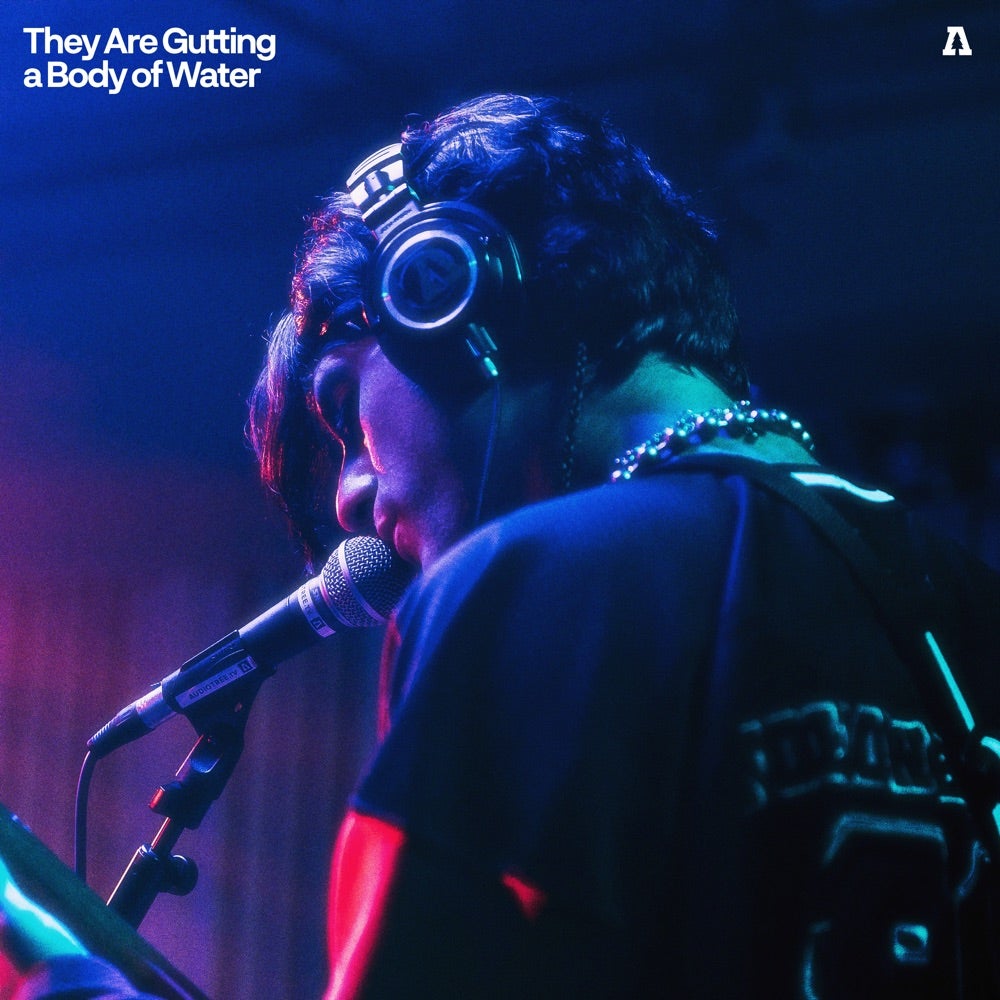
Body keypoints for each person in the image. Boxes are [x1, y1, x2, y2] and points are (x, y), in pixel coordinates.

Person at [3, 92, 999, 998]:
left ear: (442, 294)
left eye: (345, 414)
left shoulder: (532, 582)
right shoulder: (965, 601)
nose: (351, 497)